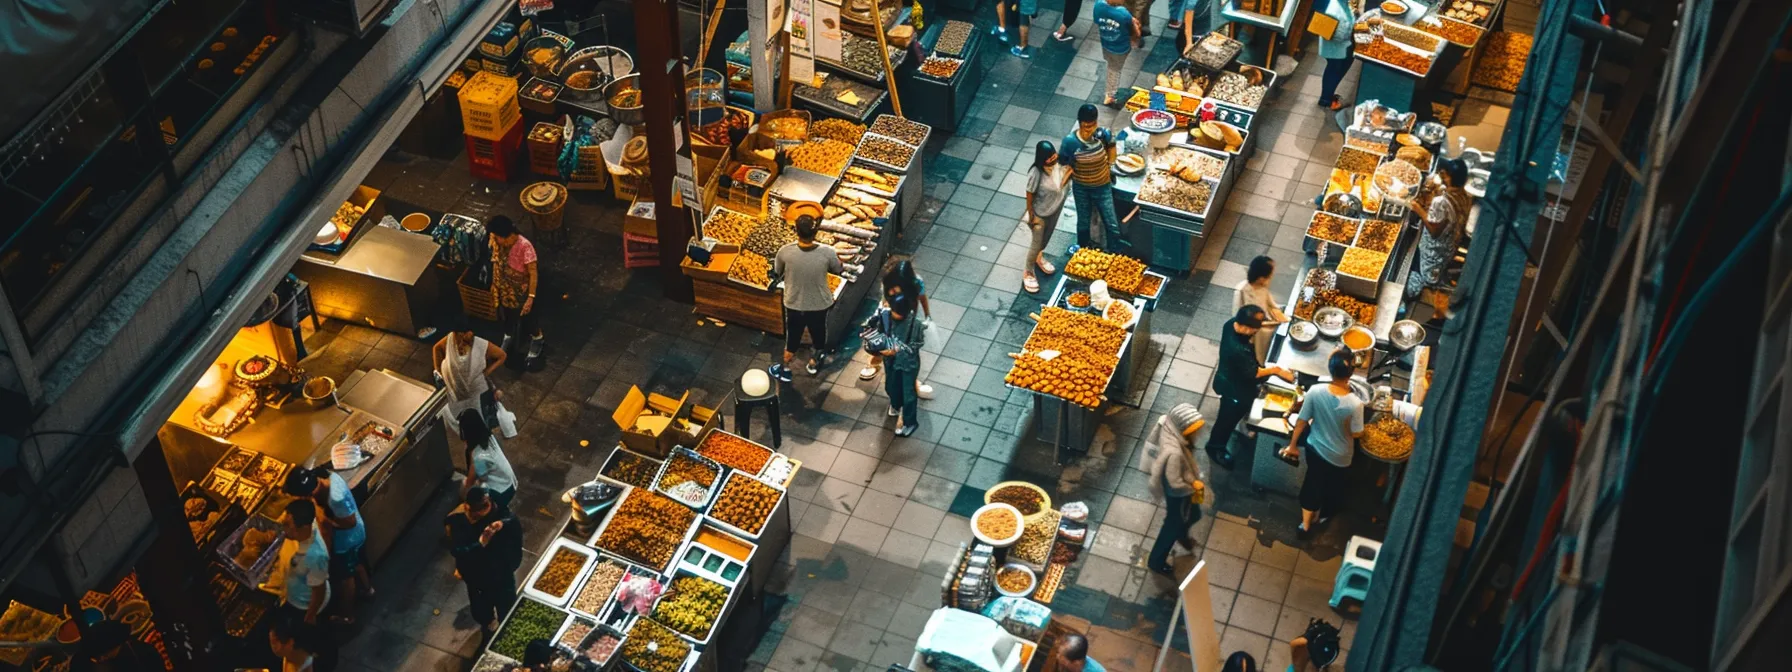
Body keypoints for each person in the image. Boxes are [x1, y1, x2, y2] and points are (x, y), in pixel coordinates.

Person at [1280, 350, 1365, 538]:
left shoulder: (1316, 391)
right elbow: (1357, 433)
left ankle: (1305, 525)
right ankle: (1322, 516)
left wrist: (1292, 446)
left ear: (1330, 370)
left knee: (1313, 482)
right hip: (1340, 457)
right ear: (1351, 374)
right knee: (1332, 487)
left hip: (1315, 449)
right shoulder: (1355, 404)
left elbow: (1302, 421)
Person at [1209, 305, 1294, 469]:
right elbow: (1253, 374)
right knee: (1225, 421)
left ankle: (1237, 426)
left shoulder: (1231, 324)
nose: (1256, 331)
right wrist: (1276, 370)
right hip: (1234, 390)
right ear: (1244, 326)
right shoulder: (1238, 350)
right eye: (1254, 328)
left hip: (1230, 378)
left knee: (1229, 417)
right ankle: (1215, 447)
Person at [283, 467, 371, 623]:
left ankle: (347, 616)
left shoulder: (335, 498)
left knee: (346, 577)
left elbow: (350, 522)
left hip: (348, 540)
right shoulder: (326, 476)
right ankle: (367, 590)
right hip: (354, 536)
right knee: (356, 563)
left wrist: (326, 520)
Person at [772, 214, 844, 381]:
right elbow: (838, 269)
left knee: (793, 336)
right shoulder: (827, 252)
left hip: (794, 303)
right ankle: (814, 361)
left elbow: (777, 272)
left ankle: (785, 367)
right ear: (816, 232)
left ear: (796, 231)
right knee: (818, 332)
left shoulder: (785, 252)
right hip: (820, 303)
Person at [446, 486, 523, 634]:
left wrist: (502, 523)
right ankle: (488, 623)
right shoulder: (457, 521)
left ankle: (507, 626)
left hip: (502, 570)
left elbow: (511, 520)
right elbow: (458, 550)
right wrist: (480, 544)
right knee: (481, 608)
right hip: (477, 575)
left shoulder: (497, 506)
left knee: (507, 605)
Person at [1402, 158, 1473, 310]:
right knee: (1437, 267)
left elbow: (1434, 230)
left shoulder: (1441, 202)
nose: (1441, 175)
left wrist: (1417, 208)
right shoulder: (1465, 195)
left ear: (1447, 176)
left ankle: (1411, 297)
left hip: (1434, 249)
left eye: (1444, 174)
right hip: (1449, 246)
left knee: (1420, 277)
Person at [859, 260, 935, 401]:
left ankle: (908, 382)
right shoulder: (890, 283)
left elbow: (922, 298)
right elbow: (885, 300)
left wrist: (927, 315)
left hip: (906, 318)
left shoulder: (916, 282)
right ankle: (878, 362)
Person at [1144, 403, 1205, 575]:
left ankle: (1181, 533)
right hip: (1177, 492)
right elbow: (1174, 481)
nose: (1198, 434)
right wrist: (1193, 486)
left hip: (1180, 484)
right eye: (1195, 430)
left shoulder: (1171, 431)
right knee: (1173, 522)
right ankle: (1156, 561)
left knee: (1193, 514)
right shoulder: (1175, 454)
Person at [1061, 105, 1128, 252]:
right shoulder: (1071, 142)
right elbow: (1064, 162)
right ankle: (1083, 252)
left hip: (1102, 186)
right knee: (1083, 222)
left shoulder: (1103, 134)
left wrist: (1111, 165)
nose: (1089, 130)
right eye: (1086, 126)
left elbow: (1111, 146)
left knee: (1111, 223)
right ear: (1079, 123)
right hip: (1081, 187)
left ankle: (1114, 253)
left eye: (1092, 125)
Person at [487, 216, 544, 370]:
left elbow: (533, 273)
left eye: (498, 237)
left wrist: (531, 297)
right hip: (505, 291)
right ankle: (509, 335)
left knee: (528, 319)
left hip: (521, 292)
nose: (496, 240)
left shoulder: (525, 246)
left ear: (507, 235)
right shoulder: (498, 243)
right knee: (507, 316)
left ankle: (537, 339)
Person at [433, 320, 505, 429]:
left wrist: (486, 373)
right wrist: (438, 371)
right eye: (460, 338)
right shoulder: (450, 340)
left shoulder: (480, 345)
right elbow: (436, 348)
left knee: (480, 414)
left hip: (475, 389)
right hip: (456, 388)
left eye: (466, 340)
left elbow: (502, 356)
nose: (462, 343)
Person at [271, 499, 331, 625]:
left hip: (304, 605)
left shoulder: (315, 556)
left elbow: (319, 590)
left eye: (287, 525)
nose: (283, 529)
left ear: (302, 528)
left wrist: (311, 614)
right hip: (292, 596)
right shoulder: (305, 527)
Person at [1024, 141, 1071, 293]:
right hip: (1040, 214)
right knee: (1036, 244)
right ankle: (1028, 272)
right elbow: (1030, 194)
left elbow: (1061, 183)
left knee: (1045, 240)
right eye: (1049, 157)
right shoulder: (1036, 173)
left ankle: (1039, 257)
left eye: (1054, 155)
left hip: (1054, 210)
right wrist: (1032, 215)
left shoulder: (1058, 166)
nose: (1053, 159)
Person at [877, 294, 926, 437]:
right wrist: (882, 348)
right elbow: (879, 334)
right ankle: (895, 403)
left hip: (908, 364)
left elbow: (918, 343)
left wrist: (897, 350)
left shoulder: (915, 324)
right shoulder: (885, 317)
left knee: (909, 393)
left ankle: (909, 422)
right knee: (891, 385)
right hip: (890, 361)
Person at [459, 410, 518, 510]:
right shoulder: (490, 438)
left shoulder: (479, 457)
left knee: (467, 486)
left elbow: (470, 482)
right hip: (511, 482)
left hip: (502, 492)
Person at [1233, 255, 1287, 364]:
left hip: (1265, 321)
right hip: (1254, 331)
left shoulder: (1262, 288)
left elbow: (1270, 303)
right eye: (1270, 276)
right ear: (1261, 278)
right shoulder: (1242, 291)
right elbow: (1239, 317)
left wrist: (1279, 312)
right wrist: (1270, 322)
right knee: (1258, 353)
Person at [1093, 0, 1141, 107]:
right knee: (1115, 70)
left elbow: (1097, 21)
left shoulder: (1098, 5)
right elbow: (1135, 31)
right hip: (1120, 48)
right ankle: (1110, 95)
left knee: (1110, 62)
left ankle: (1110, 92)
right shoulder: (1123, 13)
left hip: (1106, 42)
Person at [1315, 0, 1359, 110]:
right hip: (1338, 36)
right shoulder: (1336, 9)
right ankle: (1327, 99)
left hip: (1330, 27)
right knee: (1338, 66)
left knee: (1334, 65)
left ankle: (1327, 97)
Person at [70, 619, 160, 672]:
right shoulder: (81, 660)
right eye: (97, 658)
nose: (101, 659)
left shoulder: (144, 656)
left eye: (103, 655)